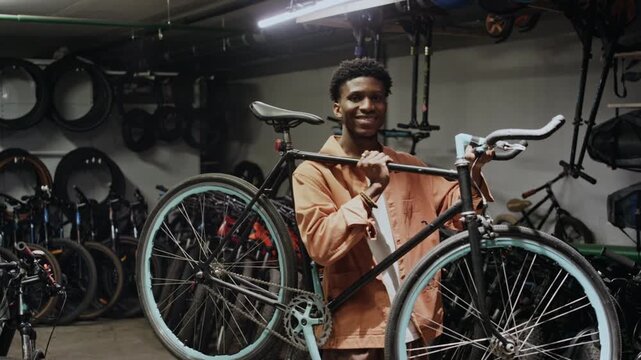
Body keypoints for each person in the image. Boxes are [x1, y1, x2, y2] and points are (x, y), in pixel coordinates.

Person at [291, 58, 493, 359]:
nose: (367, 106)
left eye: (376, 97)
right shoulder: (314, 172)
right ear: (337, 107)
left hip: (416, 327)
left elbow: (460, 215)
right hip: (357, 336)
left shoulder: (408, 165)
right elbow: (321, 245)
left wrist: (473, 170)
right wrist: (372, 190)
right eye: (356, 97)